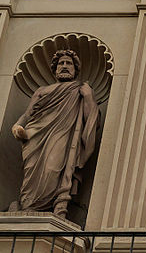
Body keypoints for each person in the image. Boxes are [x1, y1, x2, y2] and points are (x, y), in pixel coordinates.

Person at [11, 49, 99, 219]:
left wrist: (88, 97)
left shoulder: (80, 89)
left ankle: (49, 207)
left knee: (52, 169)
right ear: (55, 69)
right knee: (31, 170)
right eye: (61, 63)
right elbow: (28, 113)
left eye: (69, 63)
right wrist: (18, 125)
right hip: (35, 135)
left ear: (75, 69)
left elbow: (91, 119)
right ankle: (27, 205)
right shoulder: (42, 90)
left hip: (62, 134)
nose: (64, 66)